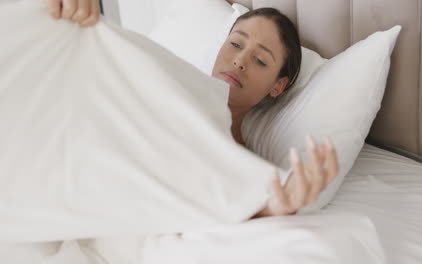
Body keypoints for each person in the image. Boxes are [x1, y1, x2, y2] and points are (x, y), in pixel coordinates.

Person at [46, 0, 339, 218]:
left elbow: (234, 202)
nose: (239, 61)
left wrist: (278, 207)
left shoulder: (243, 160)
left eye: (260, 60)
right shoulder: (165, 79)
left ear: (278, 85)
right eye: (236, 43)